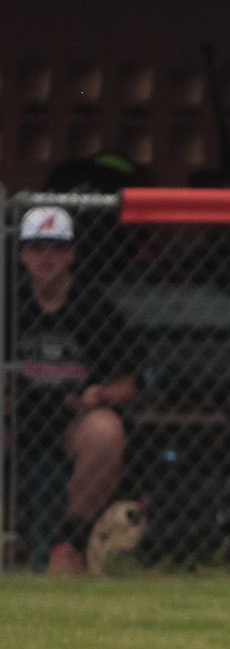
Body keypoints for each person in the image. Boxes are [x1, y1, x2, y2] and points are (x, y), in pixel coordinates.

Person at [10, 206, 138, 575]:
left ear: (71, 254)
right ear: (23, 255)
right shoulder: (6, 302)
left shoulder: (95, 307)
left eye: (57, 247)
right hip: (15, 417)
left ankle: (70, 543)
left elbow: (129, 383)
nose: (47, 256)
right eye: (37, 247)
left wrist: (100, 395)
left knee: (105, 431)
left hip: (73, 420)